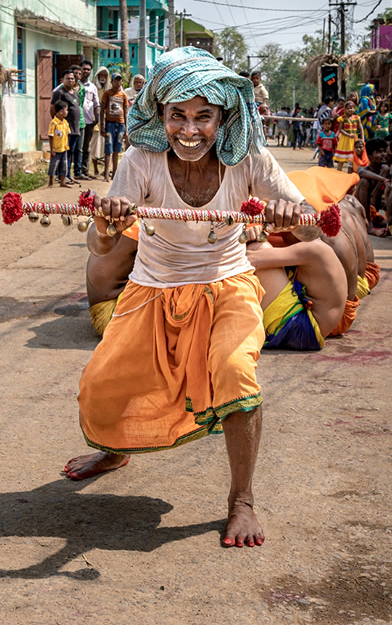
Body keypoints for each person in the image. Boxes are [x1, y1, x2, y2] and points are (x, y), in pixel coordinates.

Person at [63, 47, 320, 549]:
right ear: (160, 115)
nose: (189, 130)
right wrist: (107, 222)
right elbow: (99, 248)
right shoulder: (139, 160)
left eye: (204, 117)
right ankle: (115, 449)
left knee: (234, 371)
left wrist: (294, 217)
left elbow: (311, 224)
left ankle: (241, 501)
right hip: (151, 289)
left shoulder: (249, 158)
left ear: (223, 118)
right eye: (177, 115)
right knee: (100, 386)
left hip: (228, 285)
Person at [247, 229, 347, 351]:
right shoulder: (319, 247)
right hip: (309, 328)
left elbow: (250, 259)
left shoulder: (312, 248)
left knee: (258, 247)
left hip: (301, 328)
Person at [50, 70, 81, 183]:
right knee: (63, 152)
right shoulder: (60, 92)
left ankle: (68, 174)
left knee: (71, 152)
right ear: (63, 79)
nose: (70, 80)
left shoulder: (74, 92)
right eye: (68, 78)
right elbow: (53, 108)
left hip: (75, 127)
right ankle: (61, 176)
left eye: (72, 78)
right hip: (64, 129)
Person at [100, 73, 128, 181]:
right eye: (115, 80)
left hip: (120, 125)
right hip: (109, 124)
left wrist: (126, 128)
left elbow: (125, 112)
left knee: (117, 149)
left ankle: (115, 174)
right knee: (108, 149)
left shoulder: (123, 95)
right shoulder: (107, 94)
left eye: (119, 81)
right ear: (111, 82)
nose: (117, 83)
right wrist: (102, 125)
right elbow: (102, 110)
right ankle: (106, 174)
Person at [78, 60, 100, 180]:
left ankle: (85, 171)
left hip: (89, 121)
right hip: (77, 122)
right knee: (77, 147)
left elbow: (96, 103)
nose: (86, 71)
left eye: (88, 69)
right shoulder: (75, 85)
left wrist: (97, 117)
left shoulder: (92, 87)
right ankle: (75, 171)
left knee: (86, 147)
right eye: (84, 69)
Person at [90, 66, 111, 177]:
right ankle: (95, 169)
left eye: (105, 76)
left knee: (106, 148)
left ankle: (106, 171)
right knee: (94, 147)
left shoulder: (109, 90)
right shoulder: (92, 88)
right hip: (95, 121)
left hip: (108, 122)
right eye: (101, 76)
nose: (102, 78)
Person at [47, 100, 70, 188]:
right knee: (53, 165)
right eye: (66, 110)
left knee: (64, 165)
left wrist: (67, 144)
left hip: (64, 148)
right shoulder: (53, 123)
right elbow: (50, 136)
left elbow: (67, 134)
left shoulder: (65, 123)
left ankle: (62, 182)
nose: (67, 112)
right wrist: (52, 149)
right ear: (61, 111)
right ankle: (50, 182)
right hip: (56, 149)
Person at [333, 102, 360, 172]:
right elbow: (340, 129)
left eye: (351, 108)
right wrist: (348, 135)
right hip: (345, 139)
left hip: (354, 139)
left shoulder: (357, 118)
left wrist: (362, 139)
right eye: (348, 108)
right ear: (345, 110)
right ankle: (339, 173)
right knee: (341, 158)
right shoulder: (342, 118)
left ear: (354, 109)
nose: (350, 110)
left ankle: (352, 174)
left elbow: (361, 128)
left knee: (354, 158)